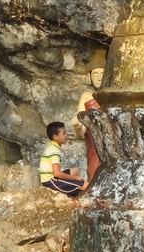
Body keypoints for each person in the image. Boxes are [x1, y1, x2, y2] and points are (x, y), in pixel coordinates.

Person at [72, 49, 106, 183]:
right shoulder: (86, 96)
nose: (98, 77)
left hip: (111, 142)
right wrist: (77, 126)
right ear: (90, 76)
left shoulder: (114, 97)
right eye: (95, 74)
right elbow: (80, 133)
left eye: (102, 74)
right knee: (93, 172)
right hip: (93, 143)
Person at [40, 122, 87, 196]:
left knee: (76, 170)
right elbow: (57, 173)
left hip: (51, 179)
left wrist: (75, 178)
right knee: (86, 185)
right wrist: (76, 178)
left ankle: (72, 194)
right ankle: (79, 198)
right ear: (55, 136)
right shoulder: (54, 151)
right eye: (64, 134)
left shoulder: (53, 147)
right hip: (51, 182)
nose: (66, 136)